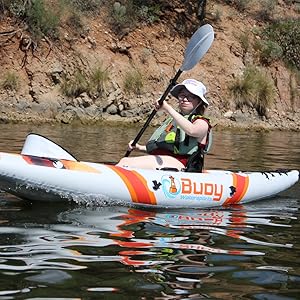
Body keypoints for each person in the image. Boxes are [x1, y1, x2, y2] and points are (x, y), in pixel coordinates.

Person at [116, 78, 212, 172]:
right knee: (125, 161)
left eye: (191, 96)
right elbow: (164, 148)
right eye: (182, 95)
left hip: (184, 165)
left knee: (126, 162)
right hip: (166, 161)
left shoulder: (201, 122)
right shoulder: (173, 121)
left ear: (199, 101)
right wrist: (139, 148)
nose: (185, 99)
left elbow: (192, 130)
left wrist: (167, 108)